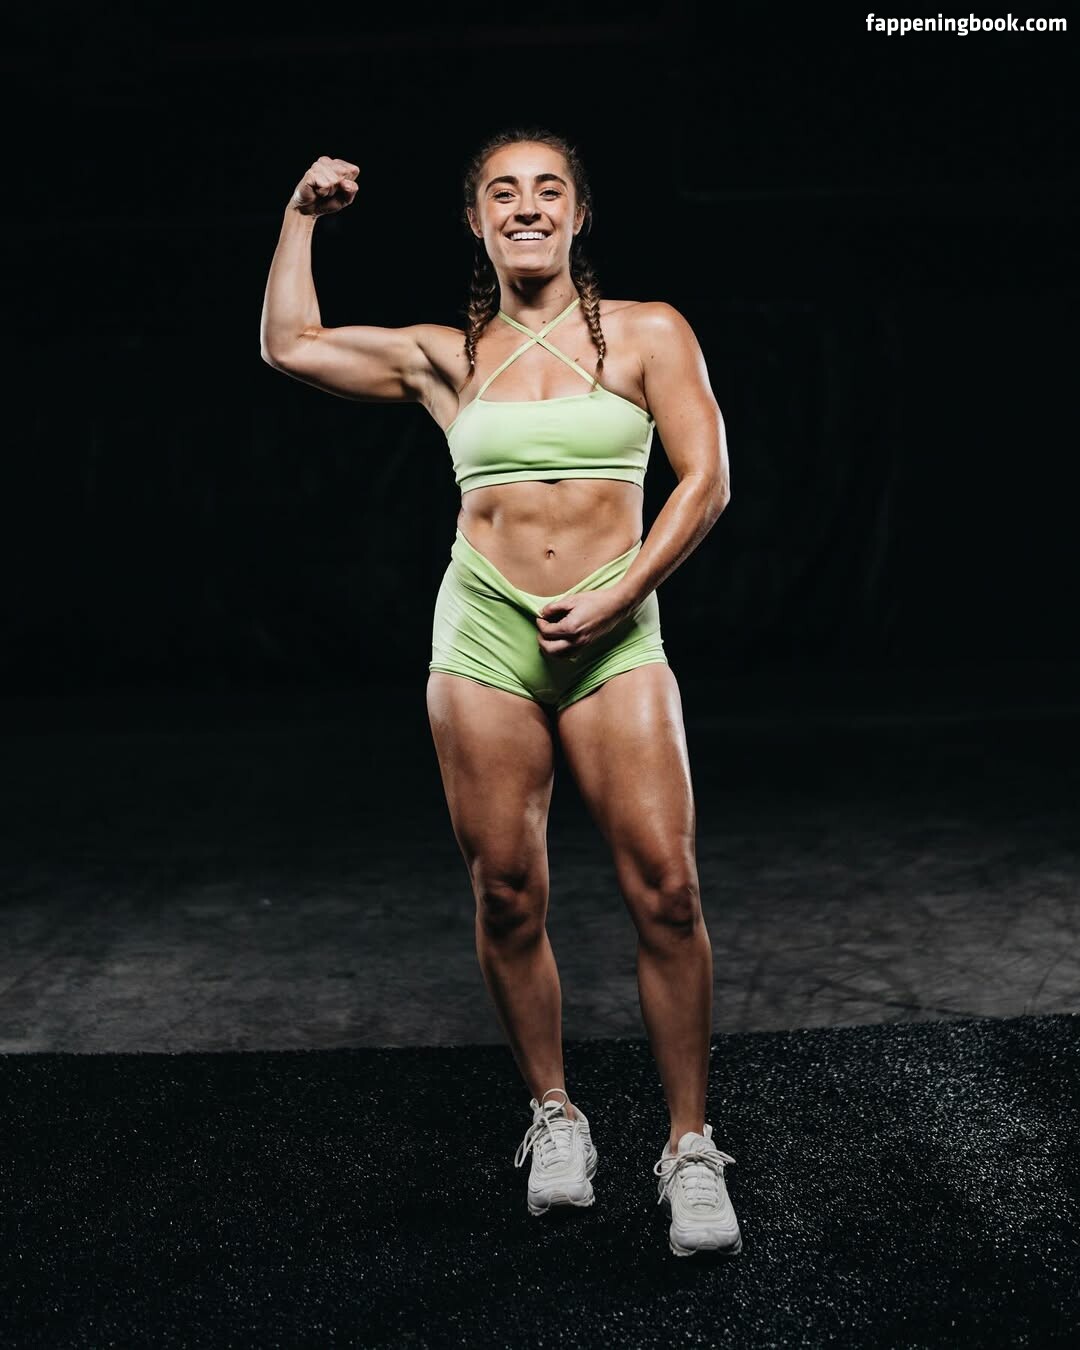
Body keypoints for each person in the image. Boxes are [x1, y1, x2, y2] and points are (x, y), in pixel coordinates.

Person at [259, 126, 741, 1258]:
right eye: (504, 193)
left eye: (549, 189)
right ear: (476, 222)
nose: (527, 206)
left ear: (579, 213)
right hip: (484, 635)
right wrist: (301, 215)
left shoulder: (649, 333)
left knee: (669, 890)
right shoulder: (449, 356)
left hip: (615, 638)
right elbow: (290, 345)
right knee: (508, 893)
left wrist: (622, 593)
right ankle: (555, 1114)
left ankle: (689, 1146)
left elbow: (707, 479)